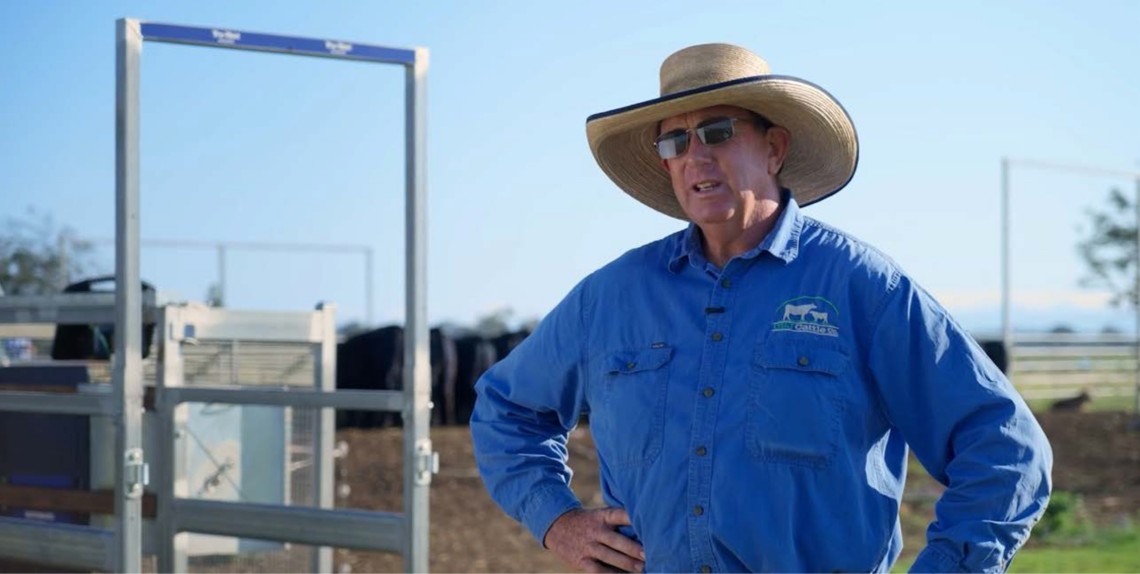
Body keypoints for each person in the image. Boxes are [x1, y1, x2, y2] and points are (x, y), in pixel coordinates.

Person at [470, 43, 1052, 573]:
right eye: (674, 142)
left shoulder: (861, 287)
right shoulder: (611, 297)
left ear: (774, 148)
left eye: (717, 131)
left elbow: (1004, 448)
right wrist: (557, 520)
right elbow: (506, 410)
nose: (695, 156)